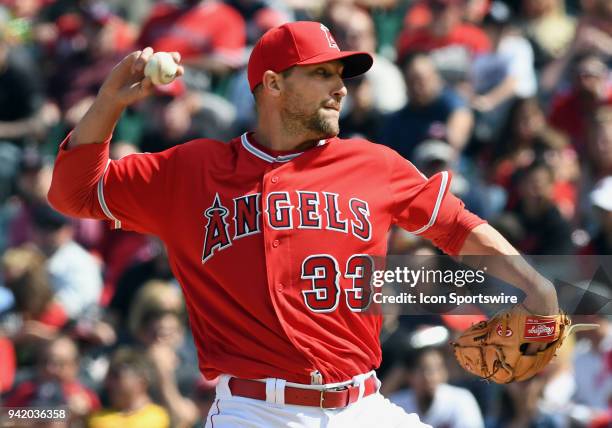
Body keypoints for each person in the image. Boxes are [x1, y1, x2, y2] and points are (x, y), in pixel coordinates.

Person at [48, 21, 559, 427]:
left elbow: (455, 227)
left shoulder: (374, 164)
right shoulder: (192, 170)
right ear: (272, 83)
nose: (339, 88)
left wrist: (534, 283)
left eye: (341, 76)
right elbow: (73, 193)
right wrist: (110, 102)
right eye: (321, 74)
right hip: (257, 412)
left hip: (363, 405)